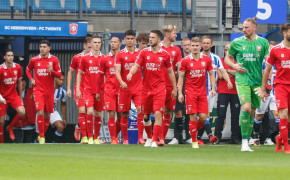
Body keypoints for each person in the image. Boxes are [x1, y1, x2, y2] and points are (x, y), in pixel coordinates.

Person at [225, 17, 269, 151]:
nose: (244, 30)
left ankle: (247, 140)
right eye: (243, 27)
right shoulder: (237, 42)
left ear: (254, 28)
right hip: (242, 80)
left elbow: (269, 62)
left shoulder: (263, 42)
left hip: (257, 82)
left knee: (252, 112)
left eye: (246, 28)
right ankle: (244, 142)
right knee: (246, 108)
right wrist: (234, 66)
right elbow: (227, 58)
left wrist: (265, 84)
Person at [127, 30, 177, 148]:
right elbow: (136, 65)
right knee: (146, 116)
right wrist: (130, 73)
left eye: (153, 37)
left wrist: (175, 88)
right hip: (145, 89)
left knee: (158, 113)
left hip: (160, 88)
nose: (150, 39)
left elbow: (170, 72)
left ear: (159, 39)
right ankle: (149, 137)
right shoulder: (144, 53)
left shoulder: (165, 54)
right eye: (150, 37)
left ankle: (155, 140)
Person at [177, 37, 216, 149]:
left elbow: (212, 74)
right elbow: (180, 78)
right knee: (193, 116)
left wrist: (213, 88)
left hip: (203, 92)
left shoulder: (207, 60)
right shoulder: (185, 61)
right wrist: (180, 93)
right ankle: (194, 141)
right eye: (192, 46)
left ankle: (192, 131)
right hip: (190, 92)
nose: (194, 48)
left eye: (196, 45)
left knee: (203, 118)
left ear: (200, 46)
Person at [115, 30, 149, 145]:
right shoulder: (120, 54)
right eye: (128, 39)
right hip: (125, 88)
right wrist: (121, 82)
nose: (130, 41)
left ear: (135, 40)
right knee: (124, 113)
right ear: (125, 39)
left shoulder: (141, 53)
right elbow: (117, 71)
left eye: (132, 38)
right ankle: (125, 139)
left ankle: (140, 138)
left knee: (140, 110)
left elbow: (146, 69)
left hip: (139, 87)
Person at [260, 23, 290, 154]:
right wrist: (262, 89)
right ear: (284, 33)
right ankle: (286, 146)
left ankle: (279, 139)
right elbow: (267, 70)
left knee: (288, 119)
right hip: (281, 85)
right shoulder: (276, 50)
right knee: (282, 114)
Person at [198, 35, 233, 145]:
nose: (206, 45)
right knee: (200, 115)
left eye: (208, 43)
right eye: (204, 43)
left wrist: (229, 81)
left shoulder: (216, 58)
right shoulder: (196, 57)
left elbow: (222, 71)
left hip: (211, 91)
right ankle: (209, 136)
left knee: (205, 116)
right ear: (201, 45)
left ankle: (197, 137)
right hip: (198, 90)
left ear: (211, 45)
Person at [26, 40, 62, 144]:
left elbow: (59, 75)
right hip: (38, 90)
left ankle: (42, 135)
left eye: (44, 47)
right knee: (40, 112)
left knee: (47, 115)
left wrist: (52, 71)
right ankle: (41, 136)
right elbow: (28, 70)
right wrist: (31, 79)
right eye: (41, 46)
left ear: (49, 48)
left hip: (50, 92)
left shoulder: (54, 60)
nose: (42, 48)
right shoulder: (34, 60)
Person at [77, 35, 105, 144]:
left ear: (101, 44)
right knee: (89, 111)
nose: (97, 44)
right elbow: (79, 73)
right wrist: (79, 89)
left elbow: (107, 75)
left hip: (100, 91)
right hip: (88, 90)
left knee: (98, 114)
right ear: (91, 44)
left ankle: (96, 138)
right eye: (95, 42)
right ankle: (89, 137)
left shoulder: (104, 58)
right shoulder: (85, 58)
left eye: (99, 42)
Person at [96, 36, 122, 144]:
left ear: (120, 44)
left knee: (121, 117)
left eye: (115, 42)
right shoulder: (105, 59)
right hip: (109, 90)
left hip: (122, 90)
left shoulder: (123, 57)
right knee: (111, 113)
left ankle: (115, 135)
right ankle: (113, 139)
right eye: (111, 42)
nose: (113, 44)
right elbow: (99, 76)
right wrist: (98, 91)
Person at [252, 41, 278, 146]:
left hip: (276, 92)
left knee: (278, 115)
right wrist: (263, 90)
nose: (271, 51)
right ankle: (255, 136)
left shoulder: (279, 62)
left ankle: (280, 136)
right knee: (259, 116)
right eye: (269, 49)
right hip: (264, 92)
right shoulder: (261, 62)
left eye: (273, 49)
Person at [159, 25, 182, 144]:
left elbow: (180, 68)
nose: (176, 35)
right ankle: (152, 137)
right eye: (174, 33)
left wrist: (178, 85)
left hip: (170, 85)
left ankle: (161, 138)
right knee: (157, 111)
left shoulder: (177, 50)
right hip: (157, 85)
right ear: (168, 35)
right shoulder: (157, 48)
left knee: (168, 111)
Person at [215, 43, 241, 144]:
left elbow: (240, 73)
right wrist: (232, 72)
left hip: (236, 91)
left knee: (235, 116)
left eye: (230, 49)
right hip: (223, 91)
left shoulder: (238, 62)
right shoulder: (220, 61)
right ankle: (217, 137)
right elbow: (220, 76)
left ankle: (234, 137)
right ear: (224, 51)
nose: (228, 51)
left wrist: (227, 71)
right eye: (226, 49)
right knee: (221, 115)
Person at [67, 37, 92, 142]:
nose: (91, 49)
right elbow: (70, 72)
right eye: (89, 46)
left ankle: (78, 127)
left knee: (89, 112)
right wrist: (69, 88)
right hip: (80, 88)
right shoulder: (77, 58)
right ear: (84, 46)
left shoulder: (95, 57)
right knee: (82, 111)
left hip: (91, 88)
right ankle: (84, 137)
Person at [169, 37, 191, 144]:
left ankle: (188, 137)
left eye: (189, 45)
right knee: (178, 112)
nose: (187, 47)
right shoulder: (178, 58)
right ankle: (177, 137)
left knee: (189, 112)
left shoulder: (194, 58)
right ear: (181, 46)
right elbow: (172, 72)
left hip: (191, 88)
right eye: (185, 45)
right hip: (179, 87)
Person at [0, 50, 26, 143]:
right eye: (8, 55)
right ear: (4, 57)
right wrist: (1, 98)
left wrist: (20, 97)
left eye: (12, 55)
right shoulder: (1, 69)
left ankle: (10, 127)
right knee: (1, 122)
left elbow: (19, 82)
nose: (10, 57)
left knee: (22, 112)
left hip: (13, 95)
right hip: (2, 97)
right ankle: (1, 143)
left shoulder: (18, 67)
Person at [35, 73, 67, 143]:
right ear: (55, 79)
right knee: (39, 135)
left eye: (63, 80)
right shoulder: (46, 86)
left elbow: (63, 104)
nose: (61, 81)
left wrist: (64, 118)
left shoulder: (63, 91)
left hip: (53, 111)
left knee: (61, 127)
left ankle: (54, 142)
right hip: (42, 111)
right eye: (60, 79)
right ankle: (37, 142)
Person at [6, 78, 36, 143]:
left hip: (29, 124)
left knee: (28, 145)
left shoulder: (32, 91)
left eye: (24, 81)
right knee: (17, 145)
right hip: (16, 124)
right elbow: (8, 110)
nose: (22, 83)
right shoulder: (12, 93)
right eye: (20, 81)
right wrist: (19, 111)